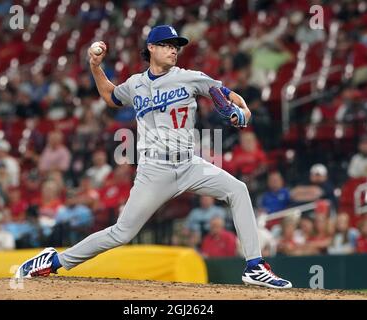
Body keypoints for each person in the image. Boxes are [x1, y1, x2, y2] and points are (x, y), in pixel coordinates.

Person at [16, 25, 291, 288]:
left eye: (176, 46)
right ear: (151, 48)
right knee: (122, 233)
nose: (174, 50)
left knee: (238, 190)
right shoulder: (136, 84)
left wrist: (243, 113)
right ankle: (54, 260)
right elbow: (111, 97)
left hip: (189, 163)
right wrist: (95, 67)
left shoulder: (189, 76)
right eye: (167, 45)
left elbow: (230, 96)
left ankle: (254, 266)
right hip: (154, 170)